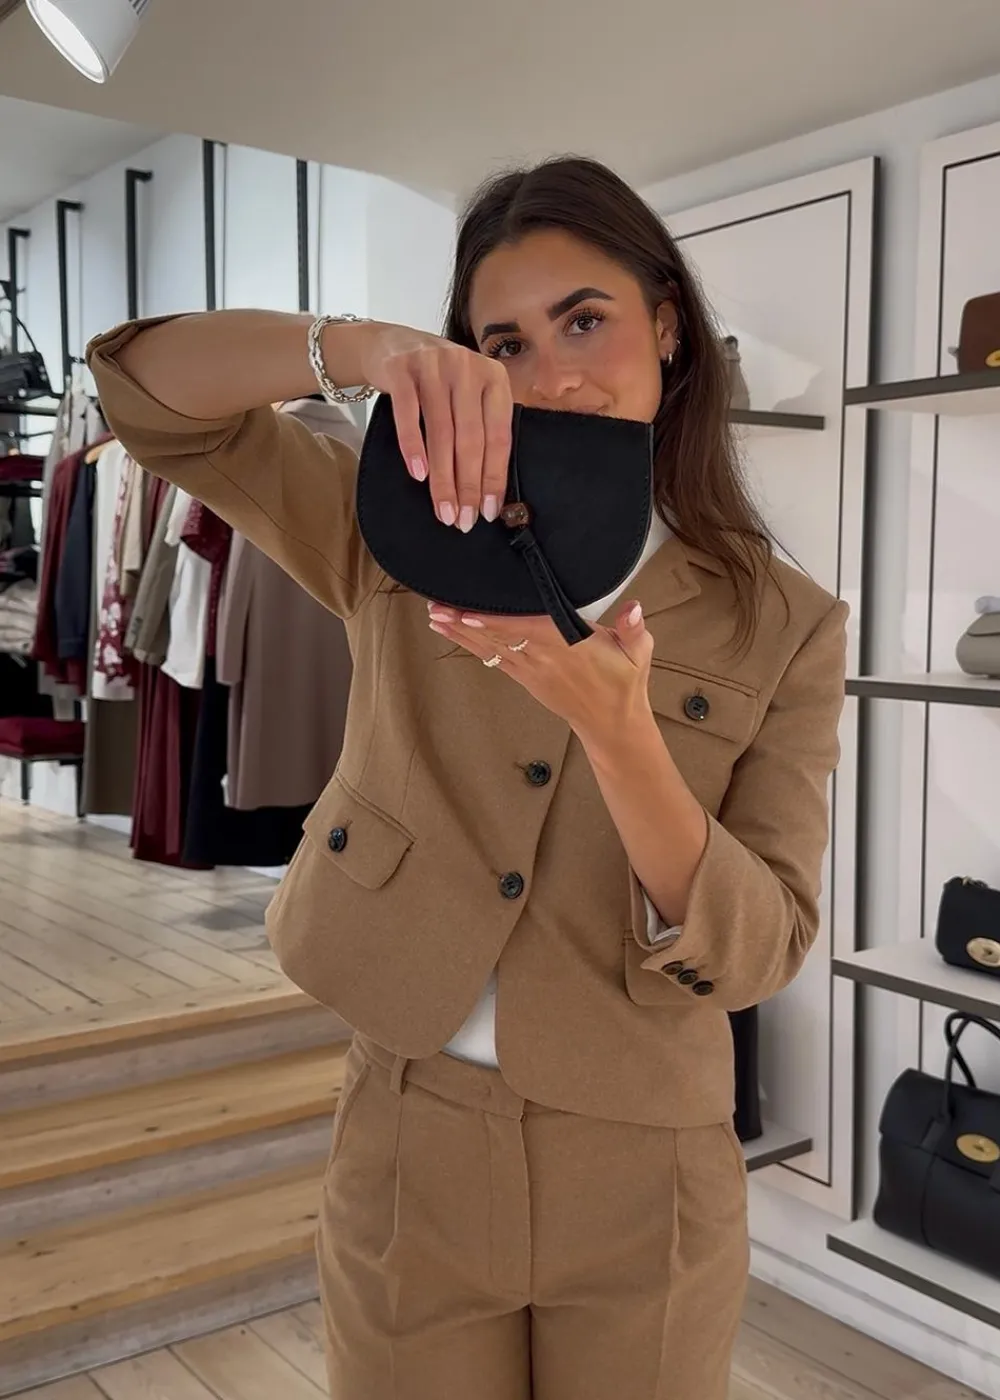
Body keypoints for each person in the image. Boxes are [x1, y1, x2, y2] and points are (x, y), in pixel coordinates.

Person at [88, 155, 847, 1400]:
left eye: (585, 320)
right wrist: (363, 349)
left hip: (645, 1155)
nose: (549, 373)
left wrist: (623, 737)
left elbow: (761, 946)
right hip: (410, 1126)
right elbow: (142, 391)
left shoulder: (784, 621)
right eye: (505, 342)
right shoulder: (396, 526)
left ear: (666, 325)